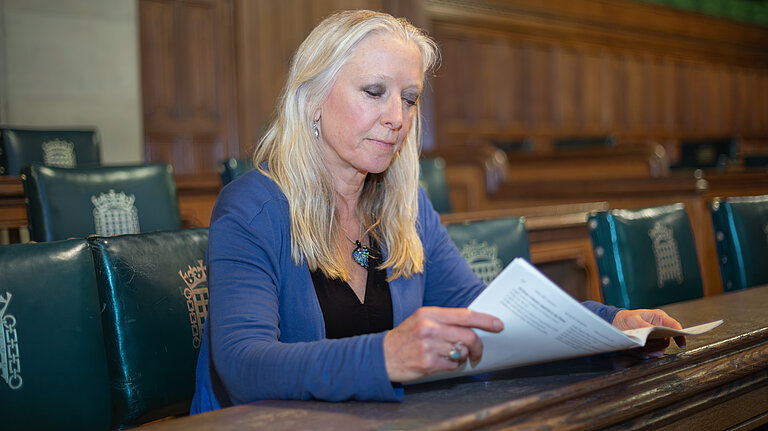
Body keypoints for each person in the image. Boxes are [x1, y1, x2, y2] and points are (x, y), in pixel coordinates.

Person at [190, 9, 686, 413]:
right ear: (312, 99)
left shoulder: (405, 206)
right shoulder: (251, 207)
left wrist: (610, 325)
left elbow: (484, 312)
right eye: (374, 92)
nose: (396, 118)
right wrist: (387, 356)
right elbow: (243, 365)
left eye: (409, 99)